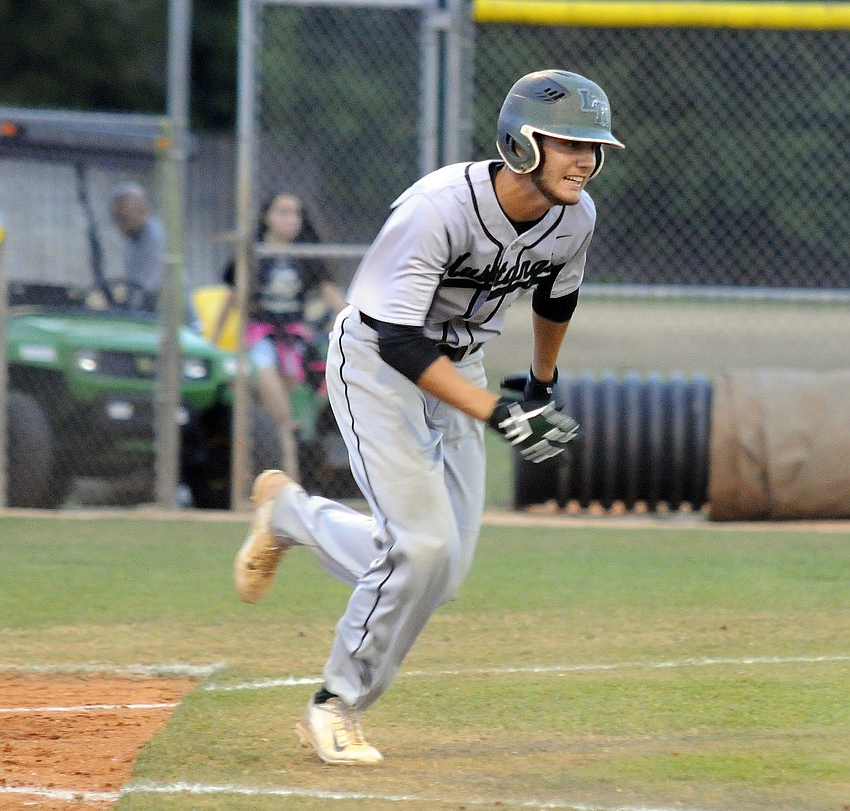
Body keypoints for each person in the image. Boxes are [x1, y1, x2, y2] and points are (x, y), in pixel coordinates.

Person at [232, 70, 625, 765]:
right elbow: (399, 339)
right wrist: (498, 413)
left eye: (594, 145)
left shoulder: (577, 216)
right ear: (521, 141)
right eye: (569, 141)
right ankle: (335, 706)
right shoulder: (439, 206)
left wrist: (538, 385)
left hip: (463, 366)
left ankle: (290, 515)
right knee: (419, 548)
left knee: (438, 571)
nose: (586, 159)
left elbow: (555, 301)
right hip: (378, 365)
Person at [212, 191, 346, 480]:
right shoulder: (254, 255)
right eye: (282, 212)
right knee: (283, 417)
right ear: (267, 217)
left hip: (293, 342)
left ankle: (275, 480)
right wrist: (214, 344)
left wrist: (358, 324)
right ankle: (288, 480)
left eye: (295, 213)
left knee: (279, 418)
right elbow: (231, 301)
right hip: (259, 338)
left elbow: (334, 299)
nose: (290, 220)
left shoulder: (305, 257)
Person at [110, 181, 200, 329]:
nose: (118, 226)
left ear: (145, 211)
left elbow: (150, 287)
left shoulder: (155, 238)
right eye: (115, 219)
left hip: (179, 327)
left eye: (123, 218)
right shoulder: (131, 241)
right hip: (151, 318)